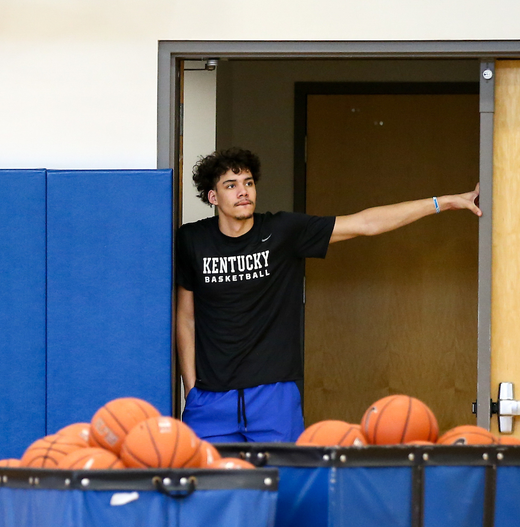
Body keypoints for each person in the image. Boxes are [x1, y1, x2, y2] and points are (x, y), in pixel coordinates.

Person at [176, 147, 482, 442]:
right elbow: (186, 318)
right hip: (210, 400)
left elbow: (365, 223)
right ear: (213, 197)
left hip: (272, 397)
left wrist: (445, 202)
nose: (243, 191)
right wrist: (190, 388)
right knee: (206, 488)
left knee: (285, 489)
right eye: (231, 185)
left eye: (248, 183)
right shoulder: (193, 240)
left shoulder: (283, 231)